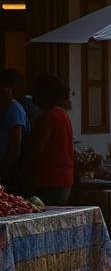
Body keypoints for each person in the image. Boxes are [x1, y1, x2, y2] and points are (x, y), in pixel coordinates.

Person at [25, 74, 74, 205]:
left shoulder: (48, 117)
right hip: (64, 178)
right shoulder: (62, 114)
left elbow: (37, 149)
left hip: (50, 179)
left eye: (36, 91)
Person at [0, 77, 29, 190]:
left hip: (9, 169)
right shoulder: (4, 108)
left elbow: (15, 146)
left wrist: (4, 169)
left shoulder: (14, 109)